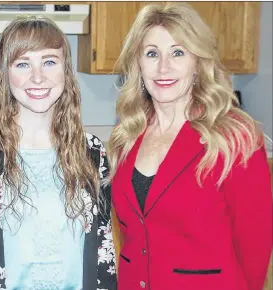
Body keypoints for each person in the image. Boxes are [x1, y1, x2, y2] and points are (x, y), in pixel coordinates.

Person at [107, 2, 273, 290]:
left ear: (197, 64)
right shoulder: (126, 135)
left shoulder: (234, 137)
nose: (163, 67)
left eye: (178, 52)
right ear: (138, 64)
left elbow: (254, 251)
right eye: (152, 53)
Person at [0, 16, 117, 290]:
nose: (38, 77)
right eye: (23, 64)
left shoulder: (91, 152)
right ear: (6, 73)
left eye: (49, 61)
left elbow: (103, 249)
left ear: (65, 71)